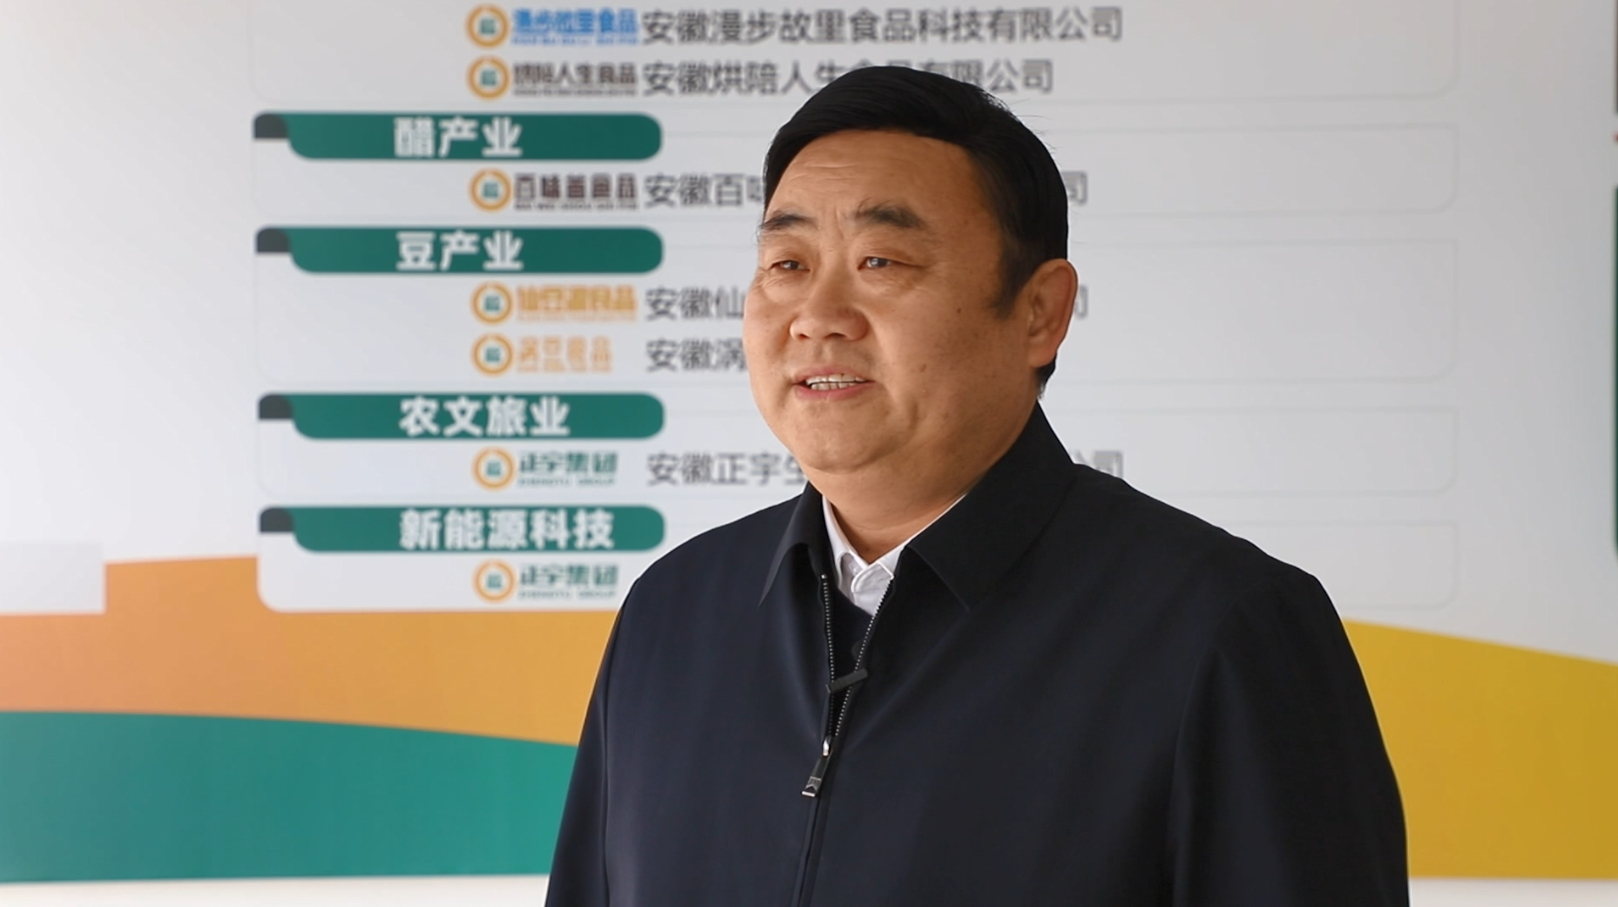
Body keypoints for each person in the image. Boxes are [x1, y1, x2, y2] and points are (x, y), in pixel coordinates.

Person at [545, 66, 1407, 907]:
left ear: (1040, 313)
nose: (818, 317)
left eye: (880, 260)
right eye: (787, 263)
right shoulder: (673, 613)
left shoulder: (1222, 628)